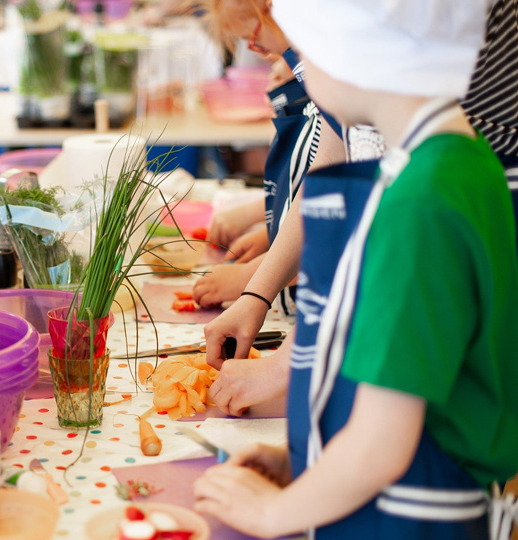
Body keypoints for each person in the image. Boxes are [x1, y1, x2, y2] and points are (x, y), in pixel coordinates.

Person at [193, 1, 518, 539]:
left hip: (405, 518)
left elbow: (382, 445)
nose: (300, 69)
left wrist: (273, 513)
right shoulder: (461, 163)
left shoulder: (420, 204)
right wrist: (312, 469)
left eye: (310, 49)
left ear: (356, 53)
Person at [191, 0, 329, 311]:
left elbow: (331, 236)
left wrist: (250, 280)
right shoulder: (324, 92)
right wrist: (273, 236)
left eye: (253, 37)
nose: (256, 49)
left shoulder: (333, 99)